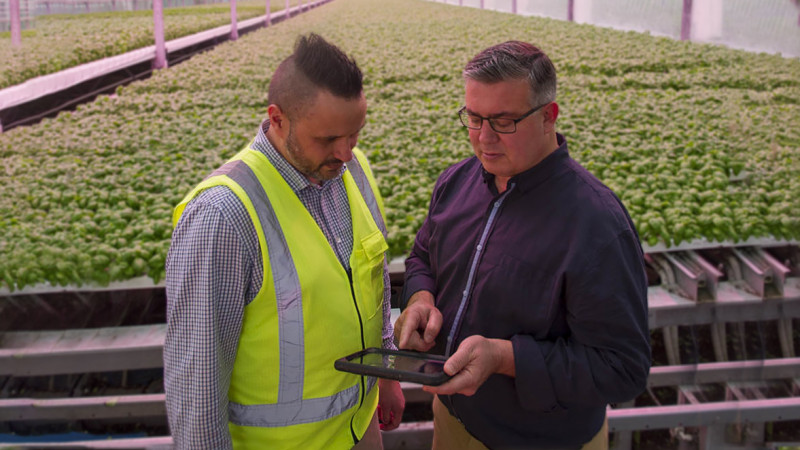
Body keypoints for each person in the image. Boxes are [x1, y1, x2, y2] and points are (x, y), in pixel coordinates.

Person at [394, 41, 651, 449]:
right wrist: (420, 297)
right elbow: (424, 252)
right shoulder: (457, 181)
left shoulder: (595, 224)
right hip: (454, 419)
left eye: (504, 121)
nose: (484, 139)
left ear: (549, 116)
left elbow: (622, 368)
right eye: (474, 118)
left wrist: (503, 358)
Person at [164, 33, 404, 449]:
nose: (346, 152)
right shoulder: (224, 215)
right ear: (277, 119)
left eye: (355, 134)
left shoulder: (351, 169)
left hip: (360, 429)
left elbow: (373, 278)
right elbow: (196, 389)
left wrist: (386, 374)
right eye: (327, 139)